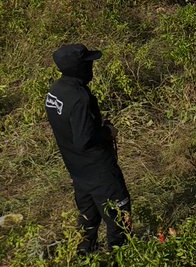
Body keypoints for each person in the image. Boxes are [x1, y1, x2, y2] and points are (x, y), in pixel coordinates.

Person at [45, 44, 131, 254]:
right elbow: (84, 139)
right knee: (120, 219)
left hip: (78, 170)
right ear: (79, 68)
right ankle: (120, 257)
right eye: (88, 63)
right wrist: (107, 131)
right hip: (98, 170)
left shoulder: (55, 92)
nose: (92, 67)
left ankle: (84, 255)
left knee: (88, 219)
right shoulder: (79, 98)